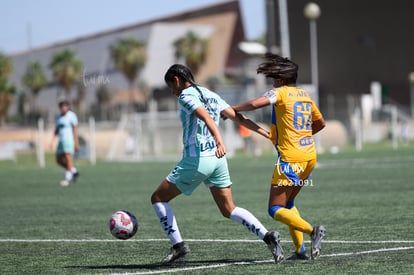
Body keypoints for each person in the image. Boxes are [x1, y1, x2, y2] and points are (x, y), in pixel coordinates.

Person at [150, 64, 284, 264]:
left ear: (177, 80)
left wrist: (219, 139)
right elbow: (238, 117)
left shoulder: (185, 96)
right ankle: (268, 237)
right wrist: (265, 133)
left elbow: (204, 116)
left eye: (171, 86)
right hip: (218, 161)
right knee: (229, 208)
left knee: (158, 198)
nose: (172, 91)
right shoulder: (210, 94)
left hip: (198, 159)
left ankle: (178, 246)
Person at [232, 53, 326, 260]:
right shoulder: (304, 94)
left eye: (275, 78)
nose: (273, 82)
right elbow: (320, 124)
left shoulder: (280, 92)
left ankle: (313, 232)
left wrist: (233, 108)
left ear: (282, 80)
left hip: (291, 158)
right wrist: (301, 136)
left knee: (275, 208)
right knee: (289, 204)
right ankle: (300, 251)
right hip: (309, 156)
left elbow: (257, 104)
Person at [50, 99, 80, 187]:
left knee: (68, 158)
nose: (63, 108)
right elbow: (56, 130)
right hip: (61, 141)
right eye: (62, 106)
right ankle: (74, 171)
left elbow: (75, 130)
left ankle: (67, 179)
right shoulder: (59, 117)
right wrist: (52, 141)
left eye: (65, 106)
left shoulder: (71, 116)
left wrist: (76, 142)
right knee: (58, 160)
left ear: (68, 107)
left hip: (69, 140)